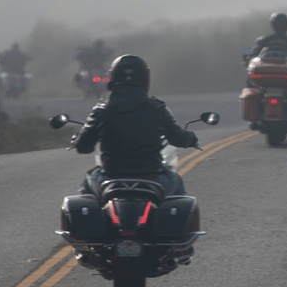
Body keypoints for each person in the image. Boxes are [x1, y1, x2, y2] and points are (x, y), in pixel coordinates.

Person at [70, 54, 199, 198]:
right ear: (145, 78)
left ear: (113, 77)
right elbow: (178, 138)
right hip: (152, 177)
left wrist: (77, 140)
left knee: (86, 191)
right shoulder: (157, 108)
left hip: (111, 177)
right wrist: (191, 138)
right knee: (178, 186)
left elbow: (83, 147)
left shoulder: (101, 111)